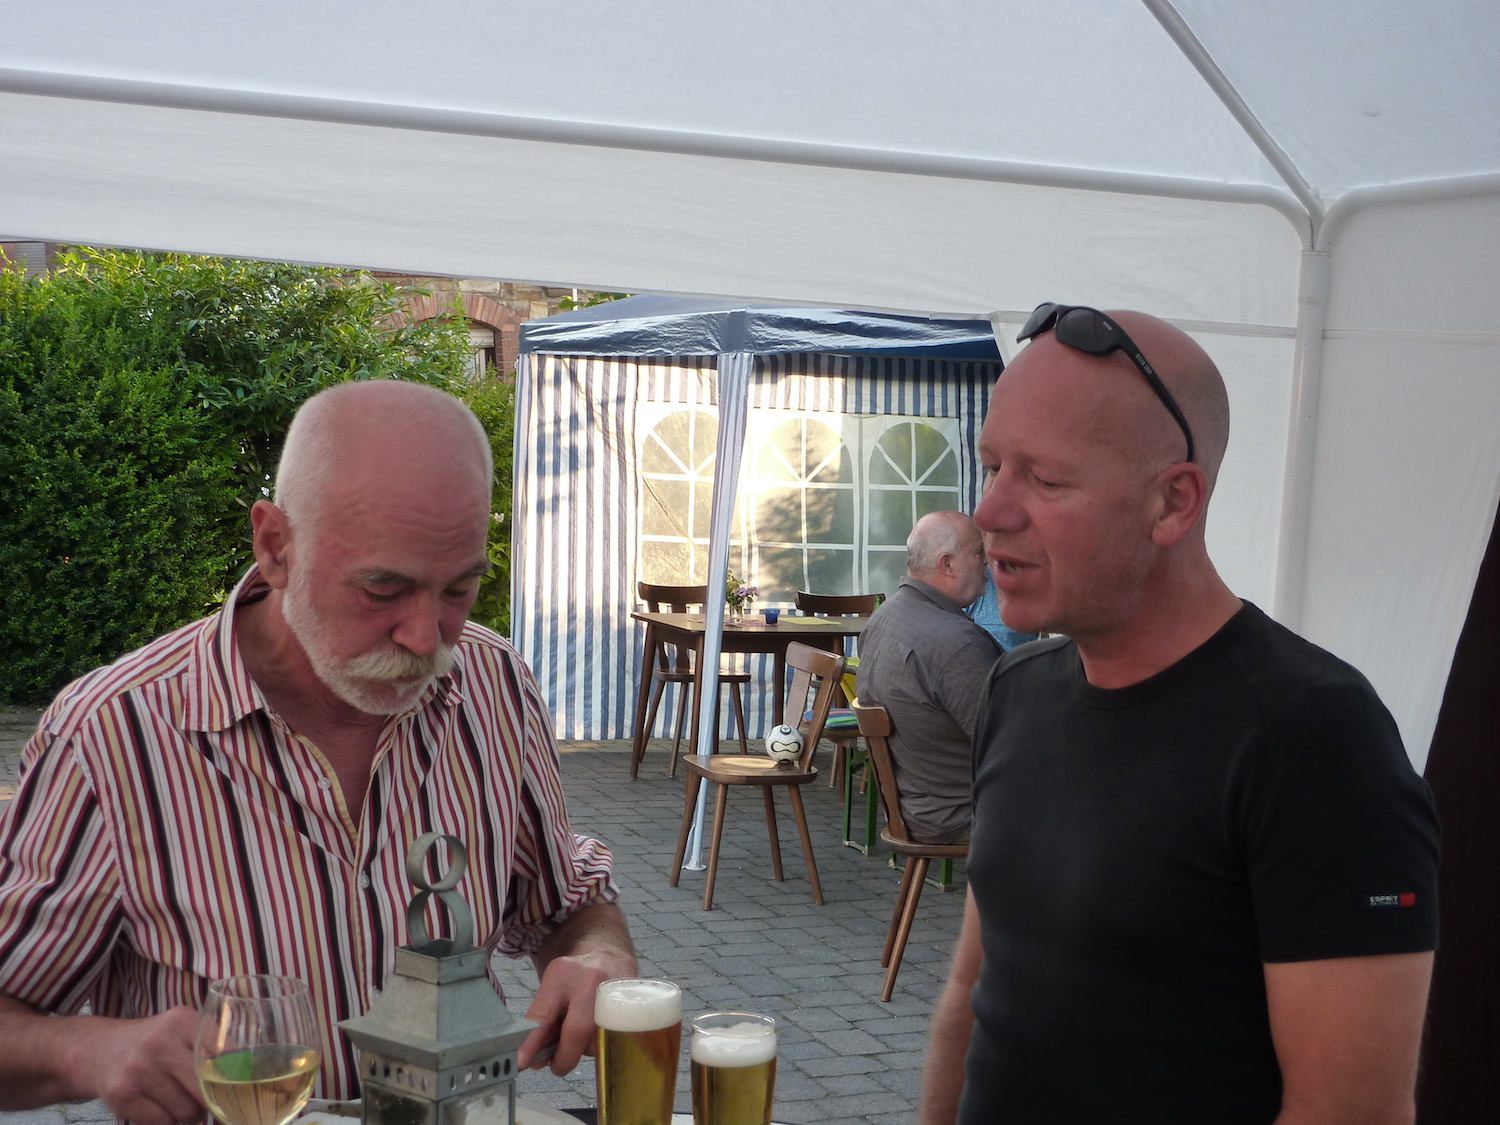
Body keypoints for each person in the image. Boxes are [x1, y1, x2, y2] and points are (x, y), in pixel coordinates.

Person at [0, 381, 638, 1124]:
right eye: (382, 590)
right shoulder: (111, 734)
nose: (426, 639)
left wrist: (598, 956)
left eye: (459, 590)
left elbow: (564, 901)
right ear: (275, 545)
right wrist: (91, 1050)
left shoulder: (494, 685)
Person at [920, 306, 1440, 1125]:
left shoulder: (1314, 737)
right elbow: (973, 988)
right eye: (992, 466)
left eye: (1045, 479)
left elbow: (1352, 1109)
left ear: (1172, 502)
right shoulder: (1017, 690)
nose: (990, 512)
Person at [855, 511, 1000, 844]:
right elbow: (1013, 747)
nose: (988, 561)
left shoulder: (884, 617)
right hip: (961, 815)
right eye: (979, 552)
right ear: (947, 564)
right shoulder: (956, 643)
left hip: (915, 808)